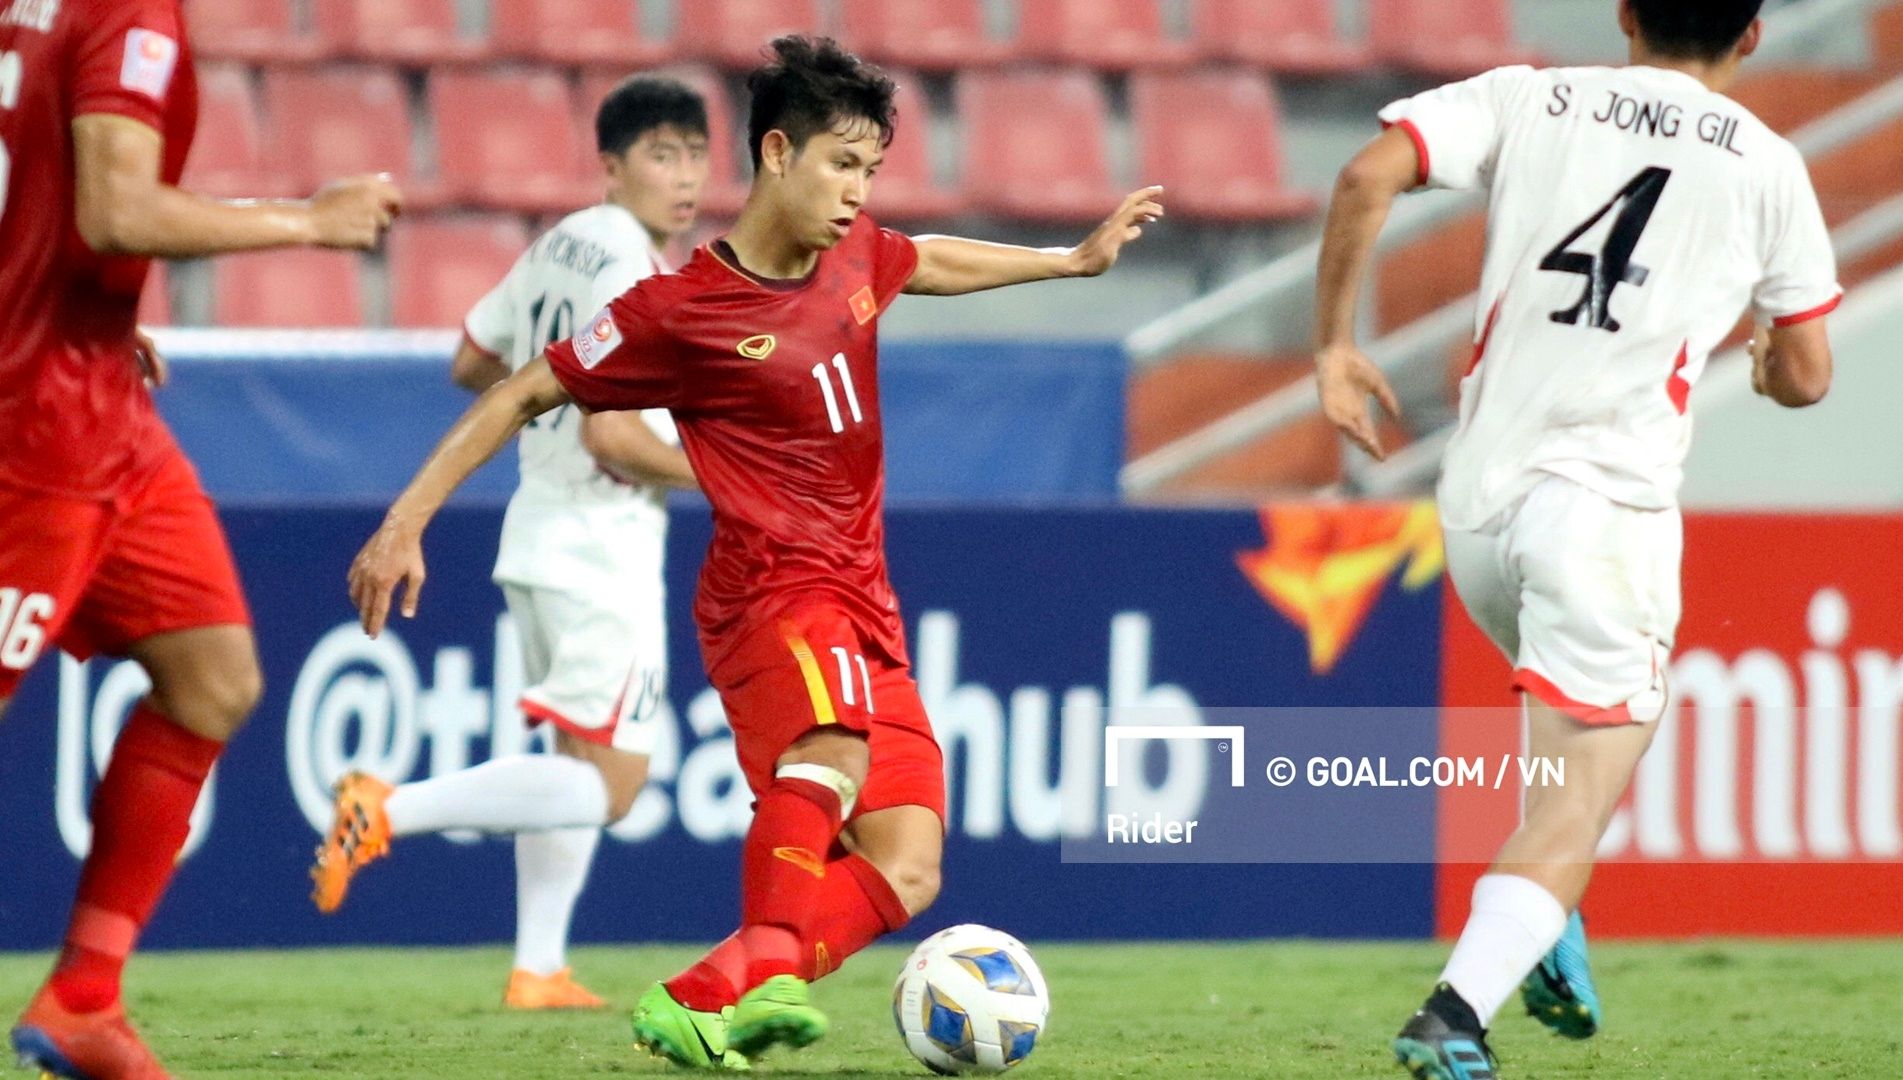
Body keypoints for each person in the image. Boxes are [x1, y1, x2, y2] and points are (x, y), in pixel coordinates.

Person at [347, 35, 1162, 1070]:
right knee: (829, 754)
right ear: (777, 153)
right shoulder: (679, 311)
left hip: (865, 595)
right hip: (770, 591)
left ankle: (702, 994)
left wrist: (1072, 260)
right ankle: (772, 978)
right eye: (840, 165)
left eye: (870, 172)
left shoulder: (860, 251)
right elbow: (517, 390)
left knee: (910, 867)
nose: (857, 193)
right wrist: (405, 520)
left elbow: (927, 259)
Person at [1312, 1, 1838, 1076]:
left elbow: (1366, 174)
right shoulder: (1769, 164)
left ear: (1626, 14)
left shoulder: (1529, 94)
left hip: (1476, 506)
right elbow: (1806, 377)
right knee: (1580, 794)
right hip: (1602, 515)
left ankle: (1542, 921)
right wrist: (1764, 346)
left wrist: (1333, 348)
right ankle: (1456, 1010)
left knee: (1555, 759)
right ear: (1750, 36)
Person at [1, 0, 400, 1075]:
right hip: (31, 435)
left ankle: (84, 994)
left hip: (101, 415)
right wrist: (310, 223)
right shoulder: (125, 9)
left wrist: (56, 300)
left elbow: (44, 195)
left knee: (211, 672)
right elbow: (116, 207)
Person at [308, 75, 708, 1012]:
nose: (684, 175)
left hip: (538, 534)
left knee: (573, 763)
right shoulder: (631, 267)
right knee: (612, 787)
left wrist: (543, 402)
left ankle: (538, 964)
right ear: (612, 165)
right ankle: (384, 810)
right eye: (662, 154)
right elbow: (614, 436)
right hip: (601, 544)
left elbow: (470, 360)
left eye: (695, 153)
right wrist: (729, 474)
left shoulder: (562, 241)